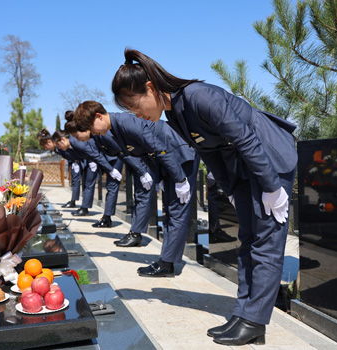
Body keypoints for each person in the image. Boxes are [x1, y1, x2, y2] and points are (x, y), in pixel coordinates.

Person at [111, 48, 297, 346]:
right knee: (248, 240)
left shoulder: (198, 96)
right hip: (244, 169)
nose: (137, 115)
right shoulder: (174, 113)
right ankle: (243, 313)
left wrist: (273, 188)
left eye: (135, 106)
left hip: (269, 159)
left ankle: (255, 321)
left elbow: (245, 138)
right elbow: (208, 153)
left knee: (266, 242)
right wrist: (232, 190)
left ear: (149, 88)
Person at [73, 100, 199, 275]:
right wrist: (159, 177)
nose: (93, 133)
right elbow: (146, 153)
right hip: (169, 161)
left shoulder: (125, 123)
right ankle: (167, 261)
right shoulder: (115, 128)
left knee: (176, 210)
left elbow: (158, 147)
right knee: (170, 211)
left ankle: (166, 264)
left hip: (180, 155)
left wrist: (180, 178)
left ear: (99, 116)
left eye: (91, 127)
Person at [69, 121, 155, 247]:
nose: (77, 140)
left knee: (138, 194)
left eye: (77, 136)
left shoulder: (102, 133)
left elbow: (122, 151)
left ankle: (134, 233)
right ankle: (130, 230)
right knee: (137, 194)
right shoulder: (96, 135)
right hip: (122, 158)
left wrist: (141, 172)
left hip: (129, 158)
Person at [64, 112, 123, 227]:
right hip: (105, 158)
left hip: (115, 158)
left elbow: (119, 149)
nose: (78, 140)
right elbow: (96, 153)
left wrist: (112, 169)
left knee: (112, 186)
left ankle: (107, 217)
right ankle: (106, 217)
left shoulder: (98, 131)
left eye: (77, 136)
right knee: (107, 186)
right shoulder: (91, 133)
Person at [38, 129, 80, 209]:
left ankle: (82, 206)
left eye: (45, 146)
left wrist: (76, 161)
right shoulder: (56, 148)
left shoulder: (60, 145)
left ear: (49, 142)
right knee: (75, 181)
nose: (46, 149)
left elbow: (70, 153)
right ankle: (74, 201)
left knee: (83, 183)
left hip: (79, 161)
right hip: (75, 161)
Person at [206, 171, 236, 243]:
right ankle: (215, 231)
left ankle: (213, 231)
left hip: (211, 175)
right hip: (213, 175)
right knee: (212, 202)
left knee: (211, 201)